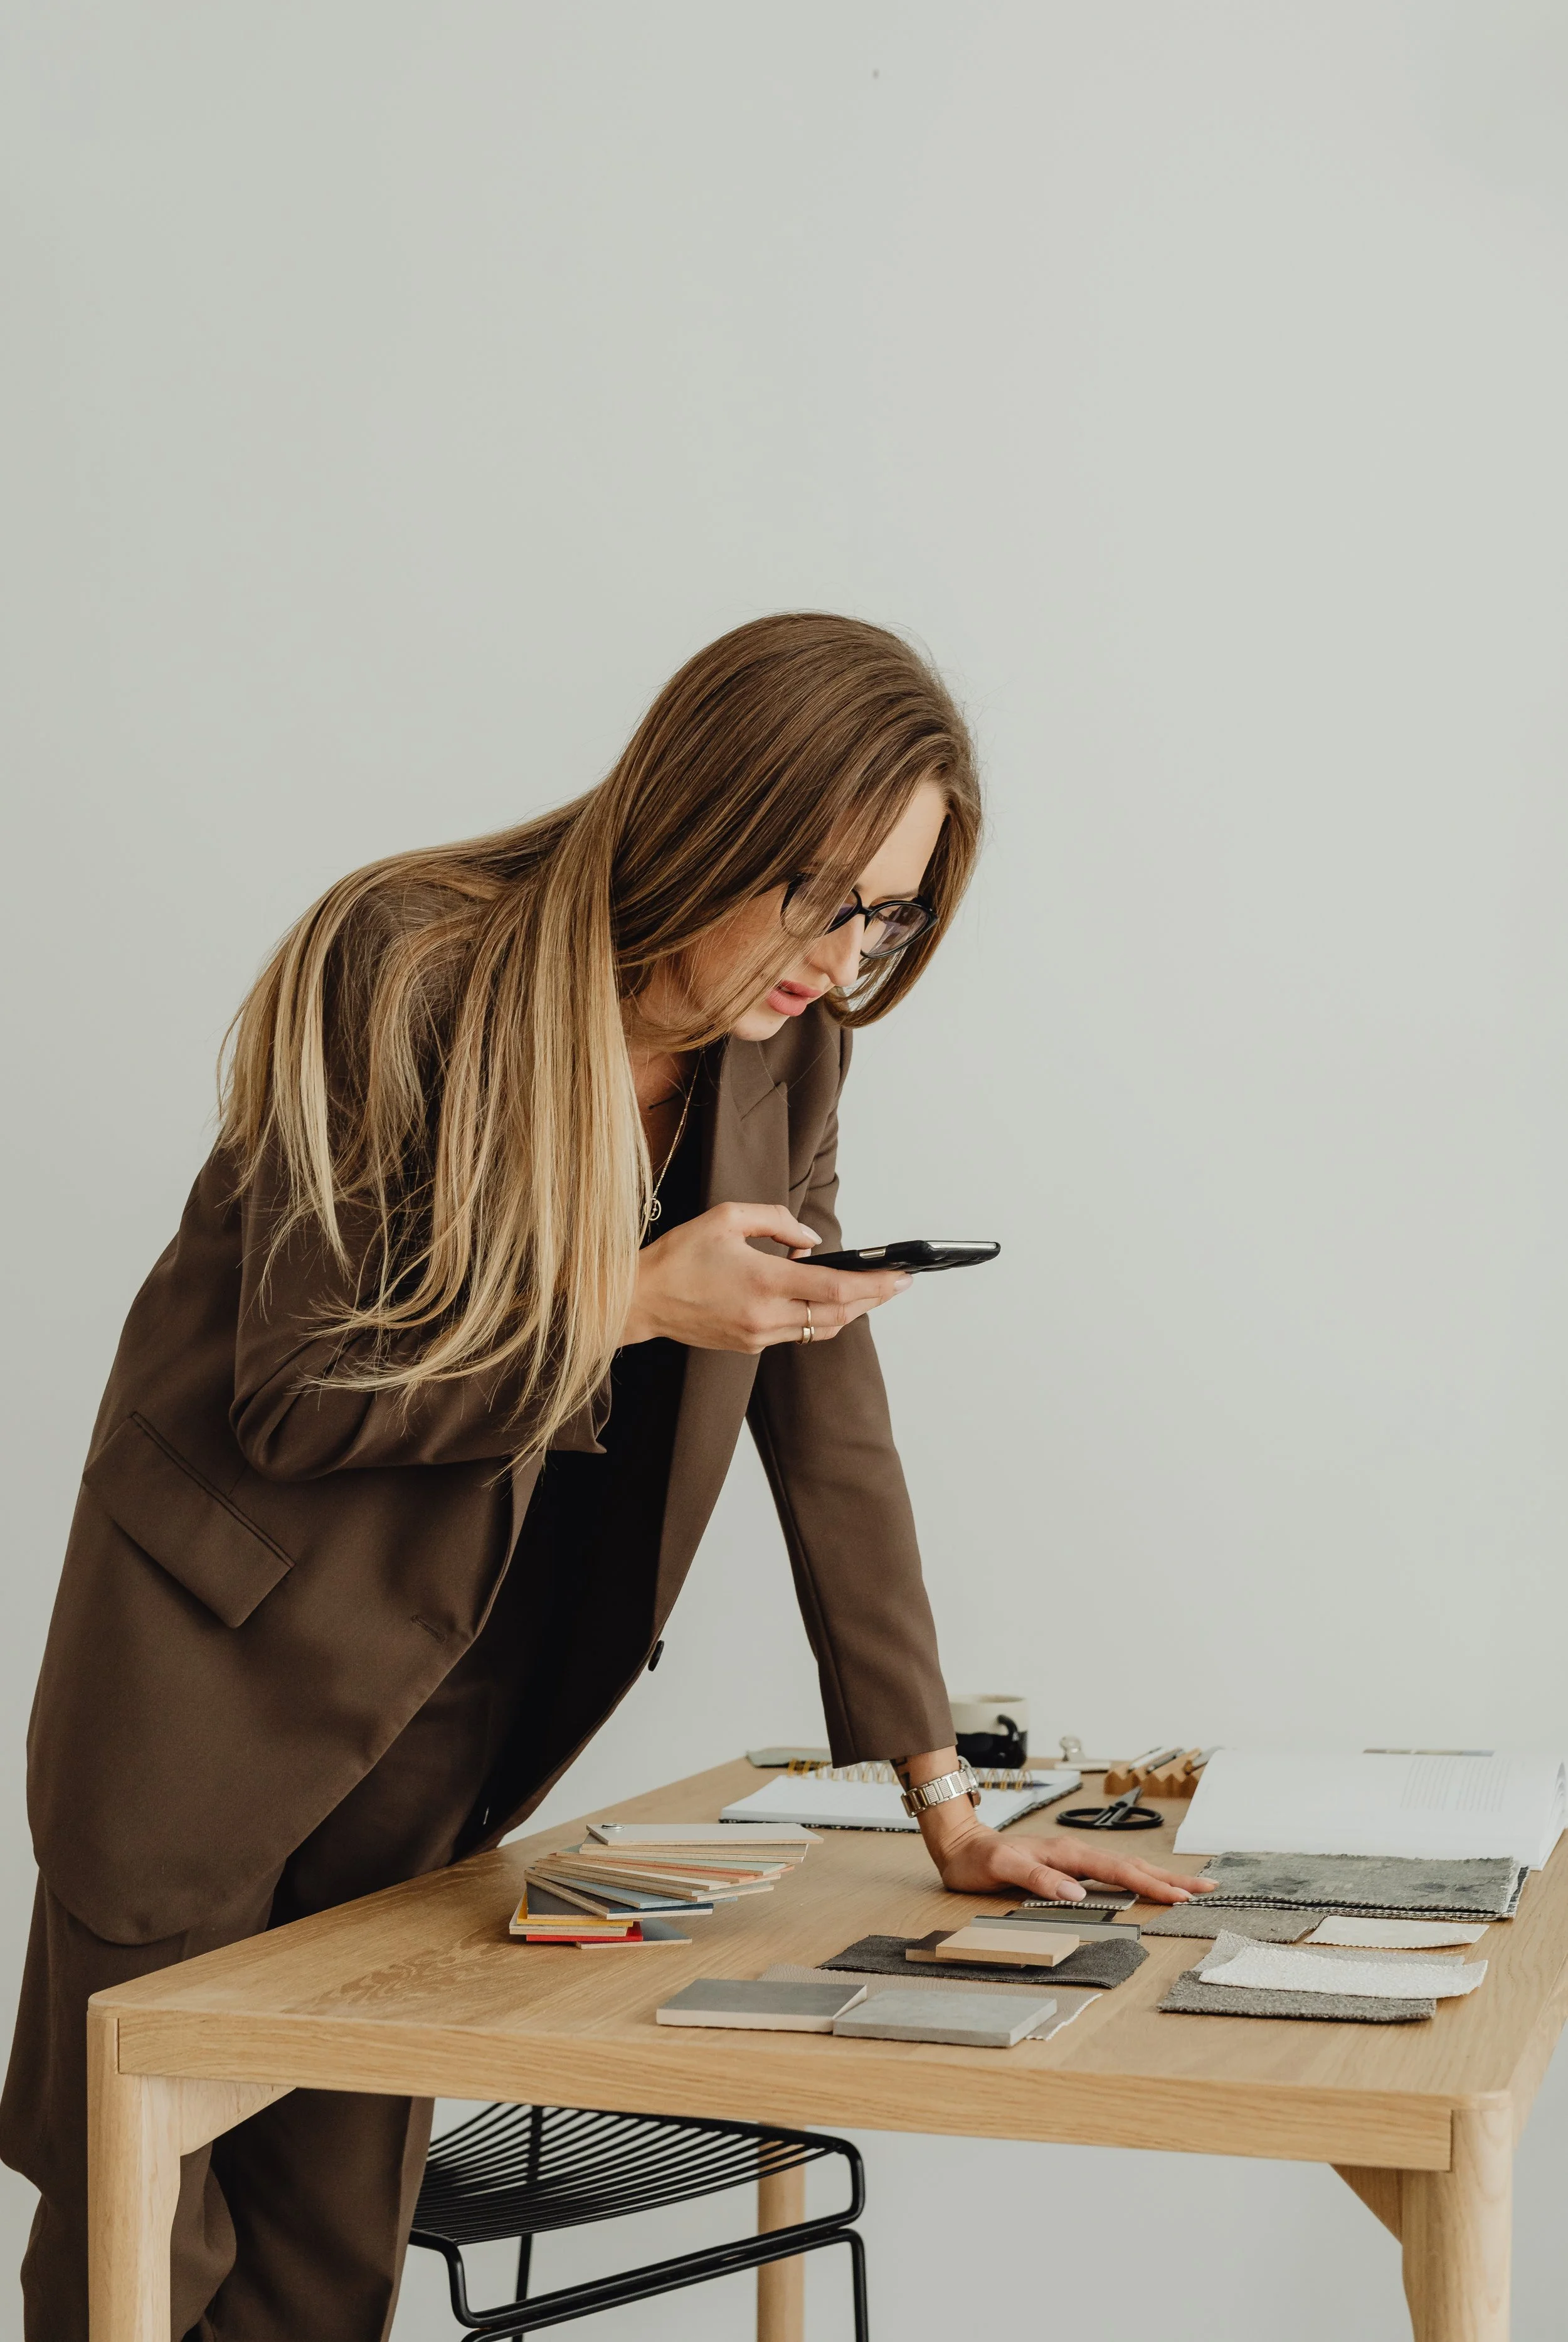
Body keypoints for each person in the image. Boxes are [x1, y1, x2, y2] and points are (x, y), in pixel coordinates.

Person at [1, 613, 1203, 2341]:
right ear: (708, 812)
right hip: (206, 1688)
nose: (842, 956)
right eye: (820, 895)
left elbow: (821, 1403)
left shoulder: (790, 1048)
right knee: (141, 2241)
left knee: (330, 2261)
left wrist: (942, 1795)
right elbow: (298, 1392)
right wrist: (630, 1299)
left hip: (447, 1707)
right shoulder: (405, 959)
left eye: (886, 915)